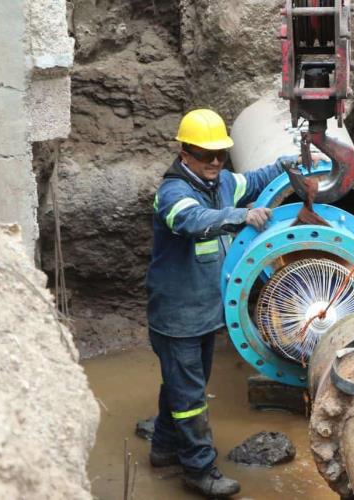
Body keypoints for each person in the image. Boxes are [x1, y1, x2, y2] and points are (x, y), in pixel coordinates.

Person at [146, 108, 293, 497]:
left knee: (181, 385)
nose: (214, 162)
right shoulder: (172, 194)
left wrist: (287, 164)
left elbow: (255, 179)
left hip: (207, 312)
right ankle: (199, 469)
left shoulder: (223, 181)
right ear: (184, 151)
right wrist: (242, 216)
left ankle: (163, 447)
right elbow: (194, 221)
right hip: (177, 316)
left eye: (220, 155)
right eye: (205, 154)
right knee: (191, 398)